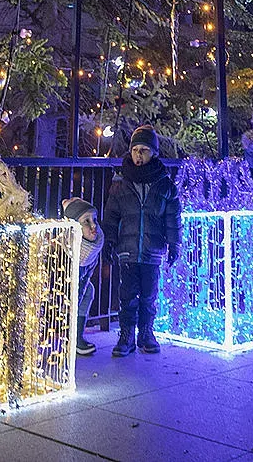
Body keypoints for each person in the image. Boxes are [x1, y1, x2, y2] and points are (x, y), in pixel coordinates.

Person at [102, 124, 182, 357]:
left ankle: (146, 332)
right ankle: (126, 334)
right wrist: (109, 241)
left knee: (149, 295)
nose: (138, 155)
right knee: (127, 295)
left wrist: (174, 243)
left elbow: (172, 217)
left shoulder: (164, 184)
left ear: (154, 153)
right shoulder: (121, 182)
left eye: (144, 150)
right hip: (127, 249)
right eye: (135, 150)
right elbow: (112, 215)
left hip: (152, 249)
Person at [62, 196, 104, 356]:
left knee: (88, 290)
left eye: (94, 220)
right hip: (58, 292)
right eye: (86, 221)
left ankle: (76, 337)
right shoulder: (66, 249)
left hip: (78, 287)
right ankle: (70, 337)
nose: (93, 226)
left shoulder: (93, 248)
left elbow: (85, 280)